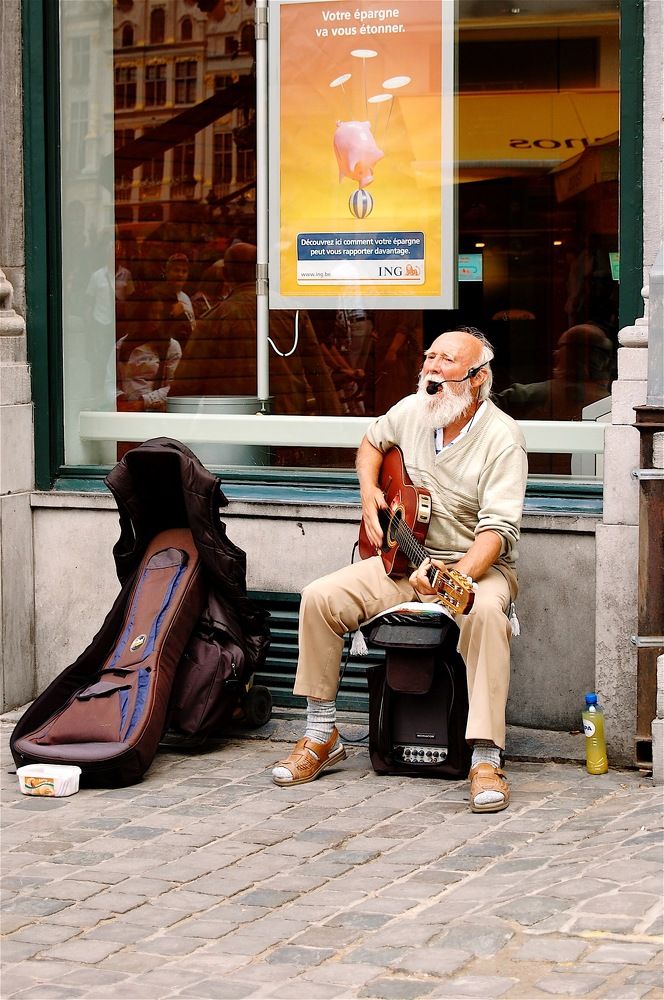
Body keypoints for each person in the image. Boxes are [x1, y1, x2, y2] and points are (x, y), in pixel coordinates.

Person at [271, 326, 528, 814]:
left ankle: (486, 757)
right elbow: (371, 443)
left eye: (446, 361)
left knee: (487, 614)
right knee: (319, 598)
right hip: (401, 561)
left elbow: (497, 532)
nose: (431, 367)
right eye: (429, 357)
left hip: (476, 564)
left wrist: (458, 574)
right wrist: (370, 491)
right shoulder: (413, 410)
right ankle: (322, 735)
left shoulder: (503, 438)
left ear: (477, 378)